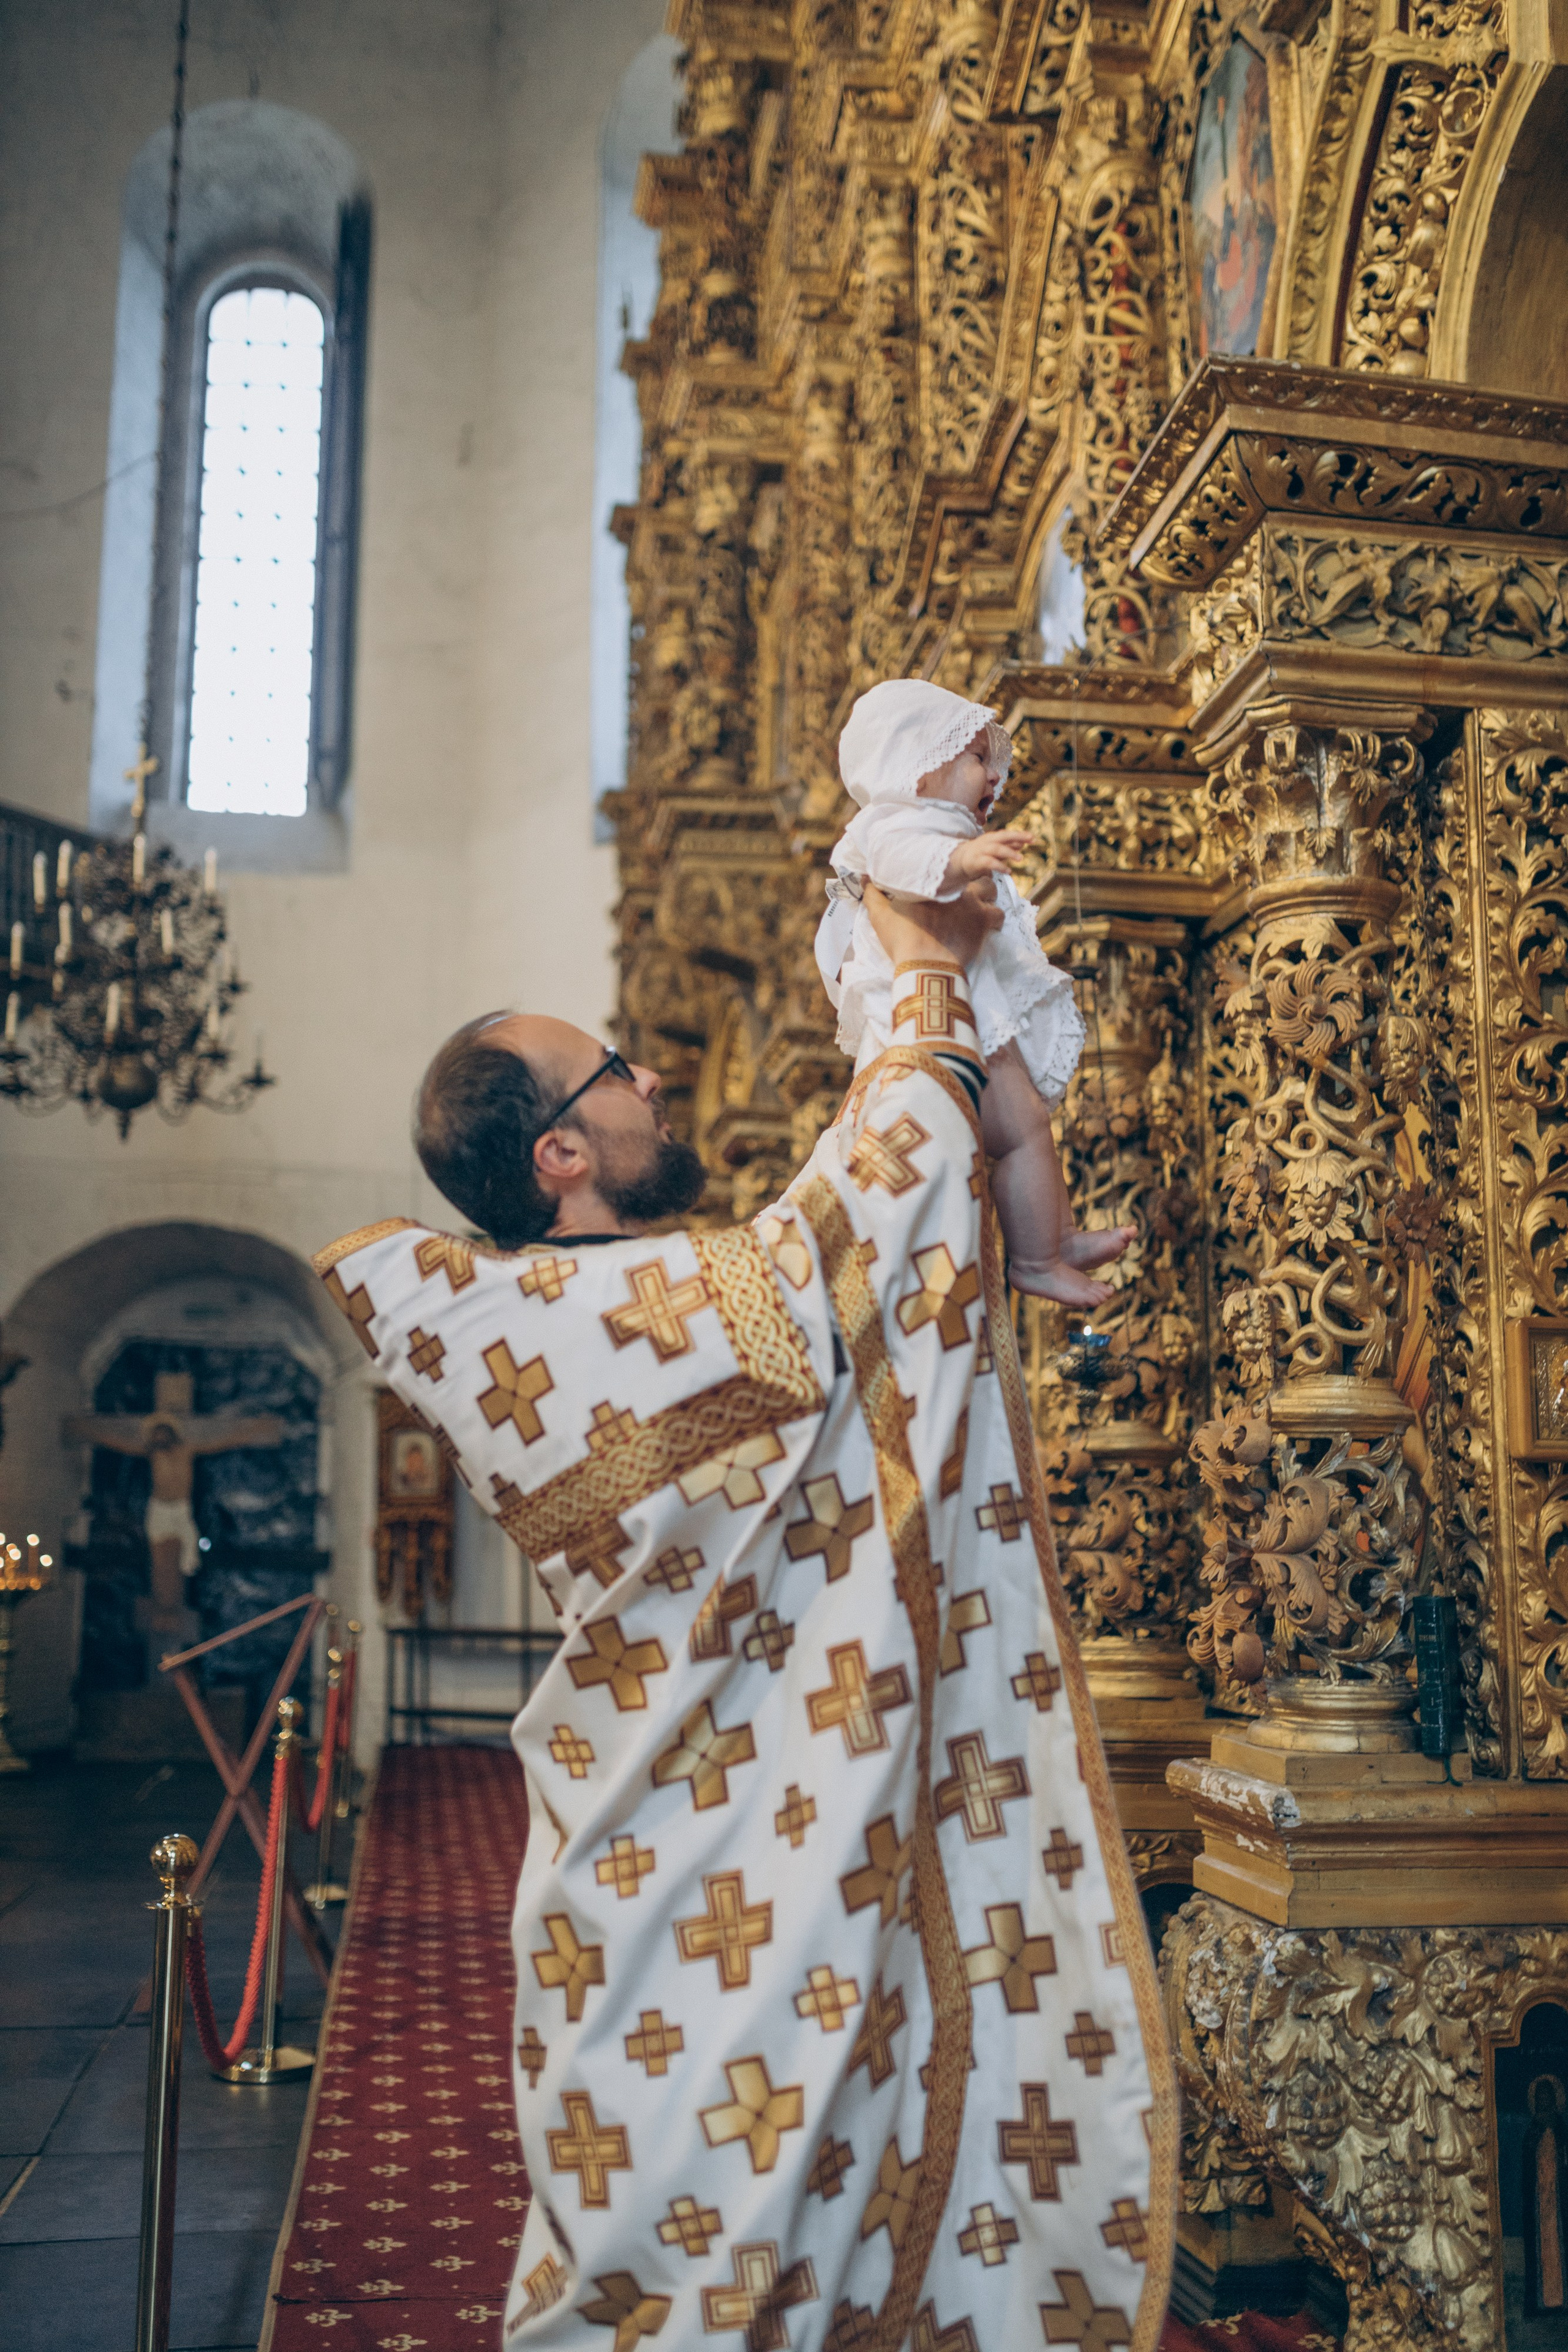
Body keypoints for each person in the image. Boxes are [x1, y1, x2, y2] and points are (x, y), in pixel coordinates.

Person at [315, 881, 1174, 2350]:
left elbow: (838, 1283)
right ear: (563, 1150)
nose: (651, 1077)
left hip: (736, 1821)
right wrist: (918, 981)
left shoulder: (610, 1307)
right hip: (692, 1848)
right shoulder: (584, 1319)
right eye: (613, 1072)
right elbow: (834, 1243)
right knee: (686, 2236)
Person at [816, 677, 1134, 1308]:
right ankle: (1041, 1256)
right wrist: (961, 863)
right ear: (916, 767)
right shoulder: (891, 824)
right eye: (975, 758)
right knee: (1019, 1129)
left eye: (994, 761)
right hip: (925, 1019)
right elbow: (901, 868)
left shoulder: (942, 825)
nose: (994, 775)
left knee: (1027, 1129)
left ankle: (1050, 1242)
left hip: (971, 1005)